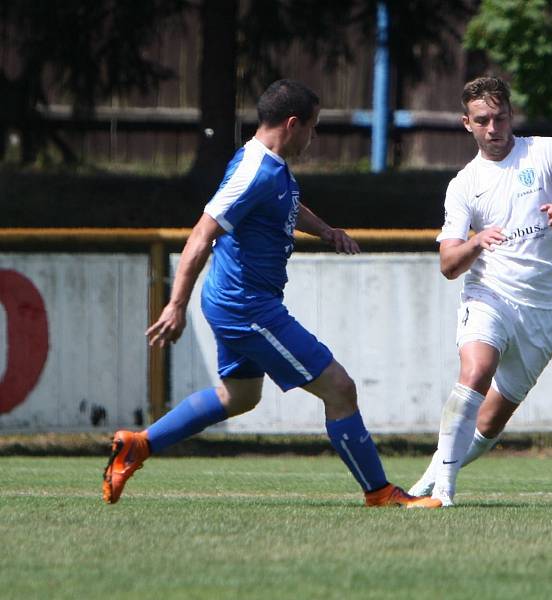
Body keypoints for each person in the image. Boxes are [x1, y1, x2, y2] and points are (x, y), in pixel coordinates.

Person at [102, 79, 440, 509]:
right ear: (293, 124)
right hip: (246, 306)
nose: (314, 139)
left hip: (238, 302)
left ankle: (139, 445)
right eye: (313, 128)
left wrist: (326, 231)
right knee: (340, 388)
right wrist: (175, 304)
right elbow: (202, 234)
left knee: (239, 396)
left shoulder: (270, 167)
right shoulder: (253, 172)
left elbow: (287, 205)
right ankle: (380, 492)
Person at [408, 76, 552, 507]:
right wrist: (475, 241)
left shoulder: (546, 152)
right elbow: (448, 265)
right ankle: (443, 493)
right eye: (482, 120)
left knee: (491, 419)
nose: (493, 128)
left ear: (511, 115)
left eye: (500, 118)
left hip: (546, 308)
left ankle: (426, 482)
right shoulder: (464, 184)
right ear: (467, 123)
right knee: (476, 371)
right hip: (490, 294)